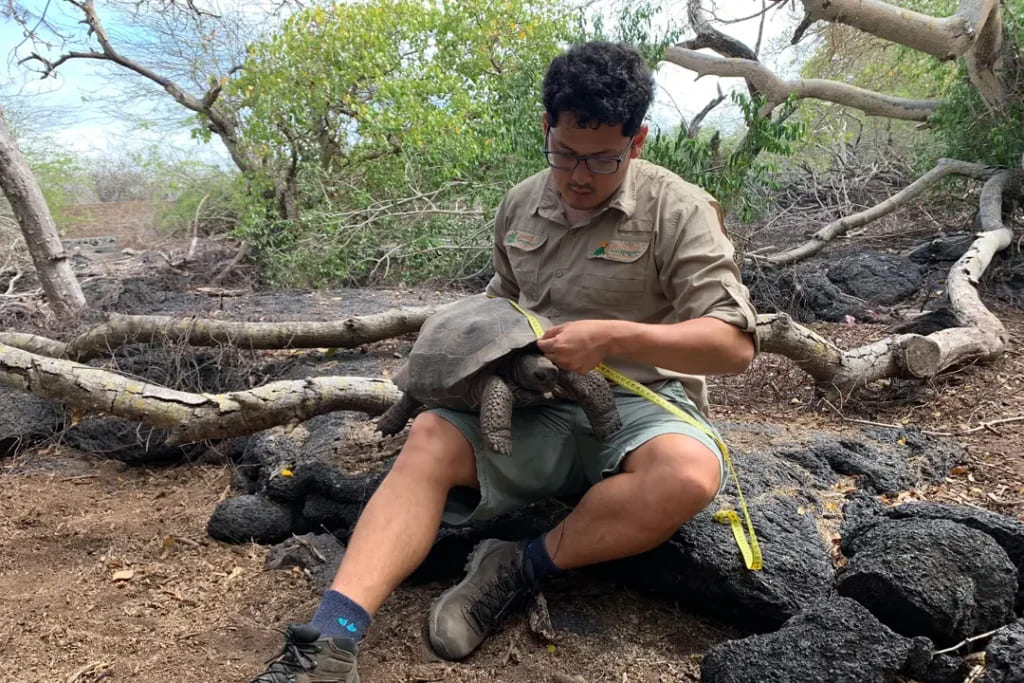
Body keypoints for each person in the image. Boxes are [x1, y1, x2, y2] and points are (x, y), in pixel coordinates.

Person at [251, 40, 758, 683]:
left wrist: (610, 339)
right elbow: (500, 301)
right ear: (547, 128)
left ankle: (516, 566)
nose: (579, 176)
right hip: (531, 396)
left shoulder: (679, 209)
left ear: (637, 140)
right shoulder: (521, 204)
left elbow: (734, 345)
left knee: (687, 477)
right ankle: (329, 643)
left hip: (637, 402)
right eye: (565, 153)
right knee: (430, 436)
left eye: (603, 158)